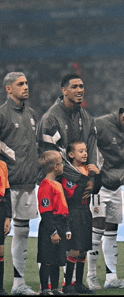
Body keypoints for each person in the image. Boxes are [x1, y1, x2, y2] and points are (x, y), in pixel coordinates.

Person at [86, 104, 124, 291]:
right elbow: (89, 150)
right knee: (96, 229)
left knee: (112, 230)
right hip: (100, 186)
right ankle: (91, 276)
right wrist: (91, 178)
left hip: (116, 186)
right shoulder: (100, 124)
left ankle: (111, 277)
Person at [0, 72, 38, 295]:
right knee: (1, 235)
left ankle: (19, 284)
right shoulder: (2, 114)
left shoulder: (32, 114)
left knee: (22, 233)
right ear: (8, 89)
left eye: (26, 82)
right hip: (6, 185)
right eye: (20, 84)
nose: (25, 87)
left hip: (27, 183)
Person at [62, 141, 101, 295]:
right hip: (74, 212)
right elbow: (70, 194)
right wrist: (87, 183)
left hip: (86, 211)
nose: (85, 154)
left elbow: (96, 190)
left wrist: (97, 175)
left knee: (83, 250)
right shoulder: (68, 172)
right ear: (71, 155)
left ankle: (79, 283)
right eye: (80, 151)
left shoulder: (88, 169)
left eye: (85, 150)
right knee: (74, 250)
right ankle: (68, 285)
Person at [37, 72, 97, 166]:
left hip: (82, 177)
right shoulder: (50, 119)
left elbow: (92, 151)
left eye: (81, 87)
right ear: (64, 91)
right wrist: (76, 176)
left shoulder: (87, 118)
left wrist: (91, 176)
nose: (79, 90)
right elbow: (50, 159)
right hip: (59, 178)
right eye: (74, 87)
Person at [37, 150, 71, 295]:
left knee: (57, 259)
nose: (63, 165)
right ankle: (45, 288)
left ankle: (55, 288)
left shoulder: (57, 184)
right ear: (56, 167)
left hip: (61, 223)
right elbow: (46, 212)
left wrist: (67, 228)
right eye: (62, 163)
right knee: (47, 259)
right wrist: (53, 232)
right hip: (50, 226)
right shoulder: (45, 186)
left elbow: (64, 209)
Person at [0, 142, 12, 296]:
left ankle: (0, 288)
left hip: (1, 210)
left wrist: (8, 217)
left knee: (1, 250)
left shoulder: (3, 165)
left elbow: (7, 191)